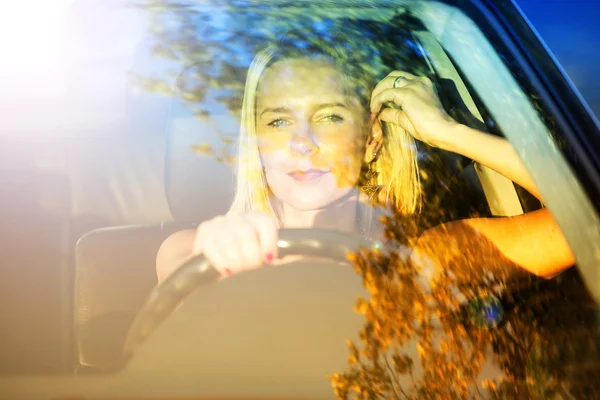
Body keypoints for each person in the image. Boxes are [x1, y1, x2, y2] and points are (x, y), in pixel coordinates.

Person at [155, 29, 574, 284]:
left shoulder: (428, 260)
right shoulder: (193, 254)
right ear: (257, 145)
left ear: (371, 141)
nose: (302, 142)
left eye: (330, 117)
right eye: (279, 123)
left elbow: (587, 222)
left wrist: (452, 133)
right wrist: (216, 259)